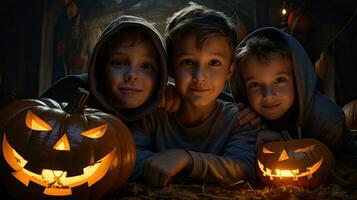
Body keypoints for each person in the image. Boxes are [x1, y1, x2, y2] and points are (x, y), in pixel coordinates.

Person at [129, 3, 258, 187]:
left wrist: (186, 160)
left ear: (230, 70)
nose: (200, 77)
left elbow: (243, 168)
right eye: (187, 62)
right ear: (171, 67)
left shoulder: (239, 120)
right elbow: (126, 159)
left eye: (214, 63)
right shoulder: (154, 112)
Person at [230, 27, 357, 159]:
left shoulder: (327, 120)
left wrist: (283, 141)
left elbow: (337, 169)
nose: (268, 95)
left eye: (280, 80)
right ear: (243, 87)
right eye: (254, 84)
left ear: (297, 79)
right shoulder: (246, 117)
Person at [40, 15, 168, 122]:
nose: (132, 75)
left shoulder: (161, 115)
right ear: (100, 67)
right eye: (119, 63)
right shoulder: (69, 90)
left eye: (146, 66)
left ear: (161, 76)